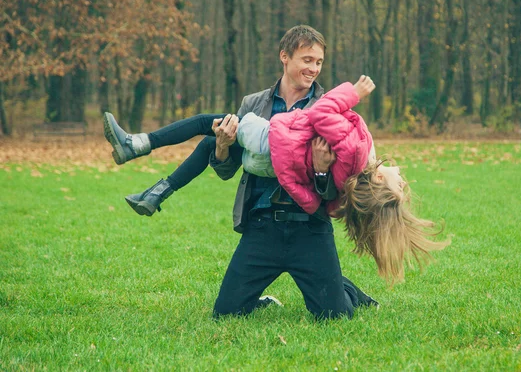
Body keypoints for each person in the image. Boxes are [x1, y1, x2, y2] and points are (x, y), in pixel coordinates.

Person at [105, 25, 446, 318]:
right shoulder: (254, 103)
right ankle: (148, 167)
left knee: (334, 315)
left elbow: (339, 193)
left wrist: (323, 171)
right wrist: (223, 147)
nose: (313, 69)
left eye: (319, 62)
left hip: (309, 230)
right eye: (306, 60)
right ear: (285, 57)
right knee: (226, 312)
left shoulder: (326, 106)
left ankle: (343, 288)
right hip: (263, 224)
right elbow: (228, 170)